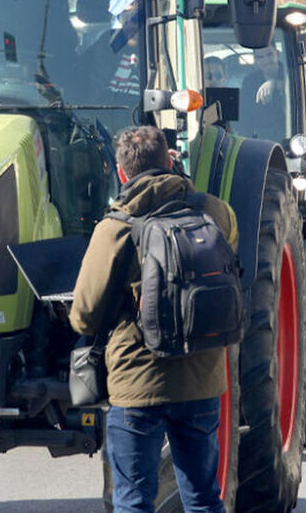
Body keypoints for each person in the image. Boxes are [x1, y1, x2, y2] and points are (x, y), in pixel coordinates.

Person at [69, 126, 236, 513]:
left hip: (137, 385)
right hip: (203, 379)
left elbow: (85, 314)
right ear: (170, 160)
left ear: (122, 172)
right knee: (204, 499)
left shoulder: (115, 228)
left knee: (133, 502)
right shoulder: (215, 212)